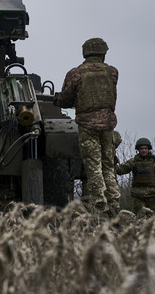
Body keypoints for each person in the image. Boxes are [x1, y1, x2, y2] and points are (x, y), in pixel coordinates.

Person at [53, 37, 121, 217]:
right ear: (103, 53)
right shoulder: (112, 72)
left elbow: (66, 99)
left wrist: (57, 99)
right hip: (108, 124)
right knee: (108, 165)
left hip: (87, 124)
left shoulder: (76, 73)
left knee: (93, 166)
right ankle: (114, 202)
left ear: (86, 53)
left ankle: (100, 206)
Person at [116, 137, 155, 216]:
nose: (144, 150)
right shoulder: (133, 161)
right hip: (138, 195)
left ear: (148, 149)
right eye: (142, 148)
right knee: (140, 217)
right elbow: (120, 170)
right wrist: (112, 161)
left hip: (152, 195)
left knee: (152, 219)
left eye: (145, 148)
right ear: (138, 149)